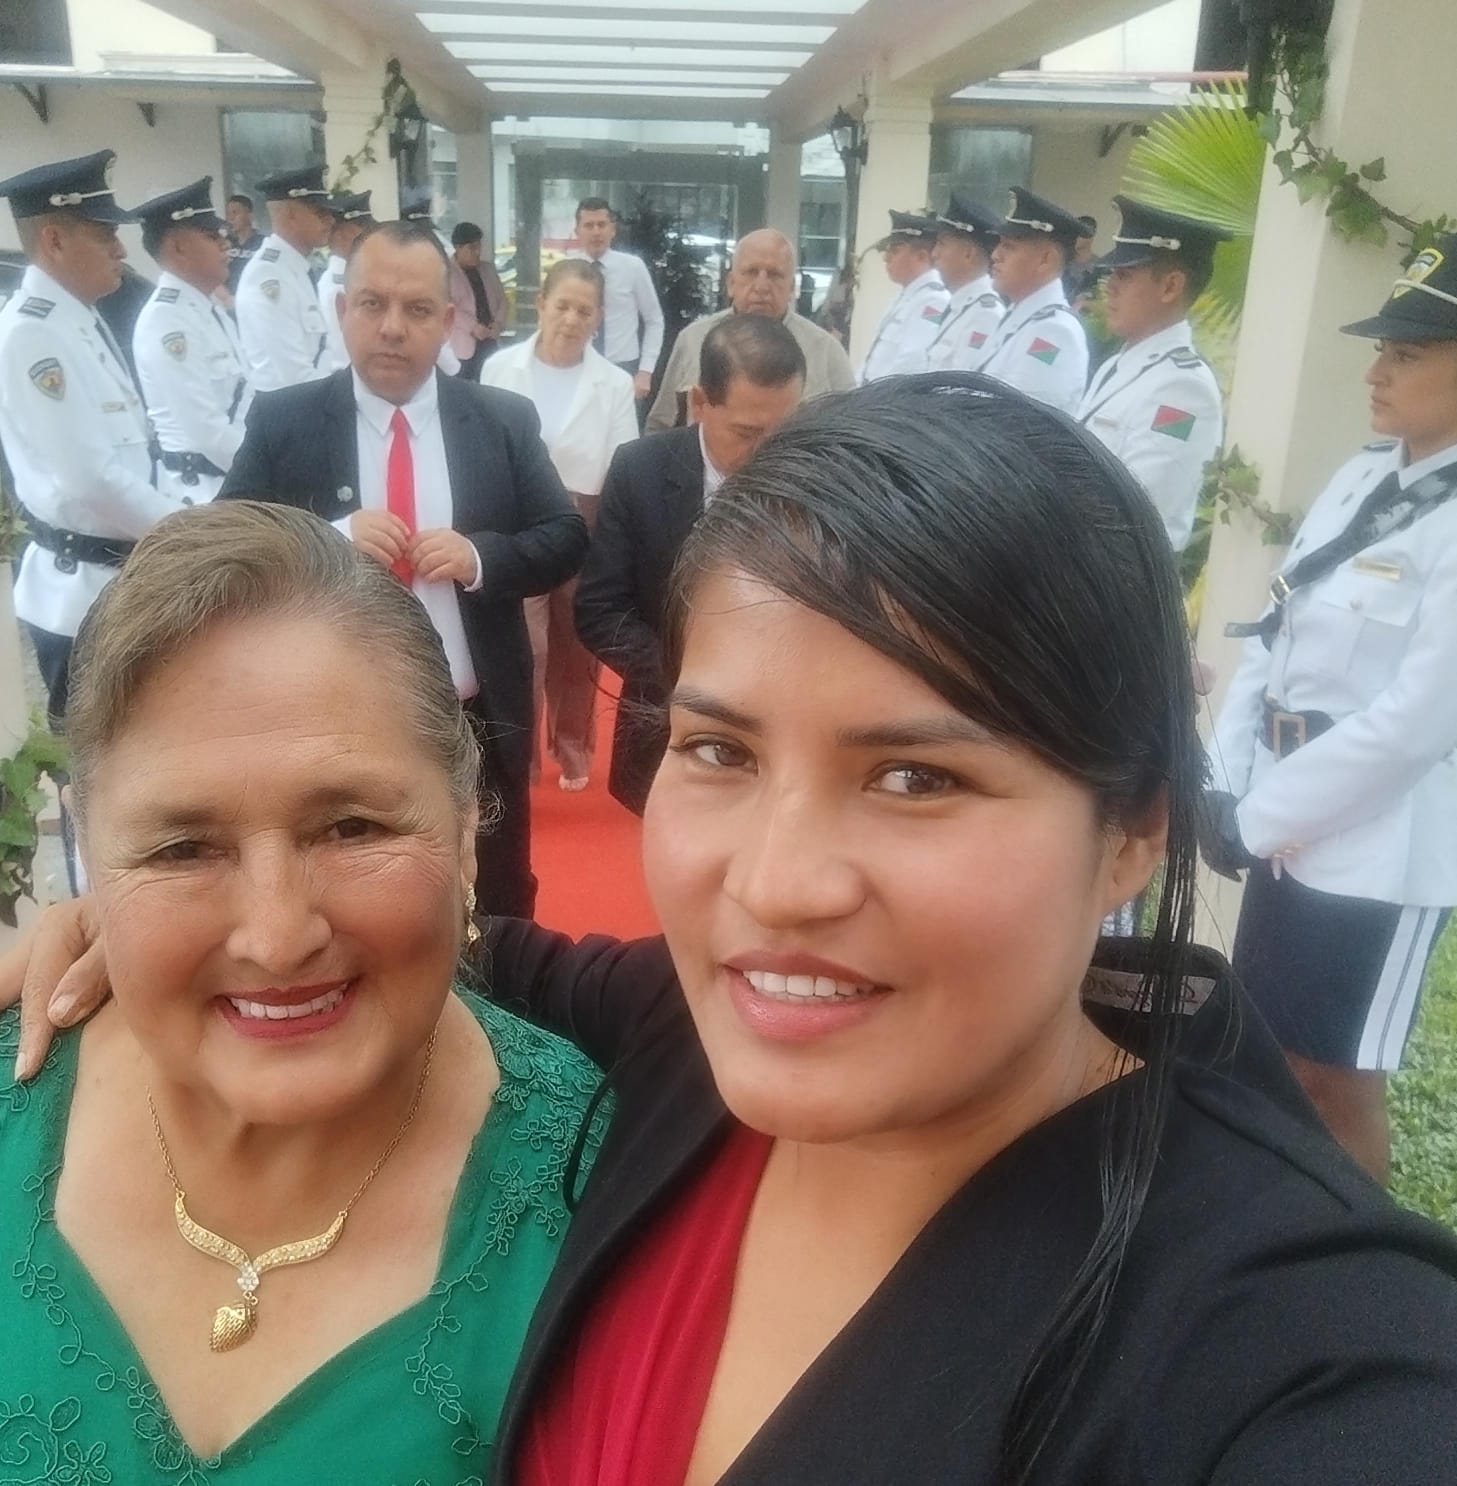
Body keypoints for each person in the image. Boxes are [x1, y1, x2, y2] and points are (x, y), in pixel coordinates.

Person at [15, 375, 1457, 1484]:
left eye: (915, 776)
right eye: (719, 750)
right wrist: (146, 909)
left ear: (1133, 826)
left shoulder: (1297, 1343)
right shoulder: (685, 1034)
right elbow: (434, 940)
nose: (776, 885)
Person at [0, 499, 607, 1480]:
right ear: (88, 851)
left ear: (465, 828)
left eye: (351, 828)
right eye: (182, 848)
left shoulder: (609, 1202)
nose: (278, 937)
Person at [220, 220, 588, 919]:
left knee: (496, 899)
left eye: (417, 309)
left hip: (474, 717)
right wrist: (325, 538)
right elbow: (222, 543)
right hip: (333, 721)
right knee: (359, 905)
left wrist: (480, 557)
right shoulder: (285, 422)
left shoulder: (501, 420)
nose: (392, 327)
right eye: (372, 304)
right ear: (343, 310)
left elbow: (565, 536)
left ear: (447, 322)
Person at [1203, 238, 1457, 1184]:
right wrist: (1227, 781)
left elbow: (1414, 725)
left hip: (1378, 850)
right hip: (1286, 821)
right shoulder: (1365, 476)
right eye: (1381, 348)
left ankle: (1357, 1256)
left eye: (1408, 353)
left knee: (1333, 1084)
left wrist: (1258, 817)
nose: (1376, 371)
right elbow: (1276, 634)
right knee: (1272, 1055)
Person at [575, 314, 806, 814]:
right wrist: (688, 675)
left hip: (791, 742)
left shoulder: (815, 476)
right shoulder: (640, 470)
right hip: (666, 725)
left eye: (784, 431)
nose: (769, 453)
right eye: (747, 432)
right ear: (700, 402)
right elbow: (599, 610)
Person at [0, 150, 171, 722]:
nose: (121, 249)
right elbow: (89, 478)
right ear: (53, 241)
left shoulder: (75, 316)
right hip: (79, 600)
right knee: (99, 763)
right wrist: (191, 530)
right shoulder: (34, 335)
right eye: (105, 235)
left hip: (114, 584)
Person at [480, 259, 638, 792]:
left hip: (585, 521)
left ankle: (573, 745)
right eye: (563, 305)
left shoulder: (614, 383)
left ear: (599, 318)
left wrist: (615, 544)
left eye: (584, 311)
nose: (571, 319)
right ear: (541, 303)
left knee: (576, 644)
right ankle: (519, 755)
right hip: (518, 522)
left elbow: (621, 465)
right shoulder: (500, 368)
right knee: (526, 646)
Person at [1075, 196, 1227, 553]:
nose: (1109, 286)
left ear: (1170, 286)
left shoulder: (1183, 388)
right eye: (1113, 273)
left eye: (1125, 275)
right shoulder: (1119, 365)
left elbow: (1136, 514)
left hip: (1116, 573)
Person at [645, 228, 853, 432]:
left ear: (792, 288)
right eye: (751, 272)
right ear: (731, 283)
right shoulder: (693, 340)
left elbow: (855, 433)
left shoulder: (826, 351)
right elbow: (662, 426)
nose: (761, 286)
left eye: (775, 275)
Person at [132, 177, 252, 506]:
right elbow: (206, 430)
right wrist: (267, 469)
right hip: (202, 494)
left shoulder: (207, 307)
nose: (225, 245)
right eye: (212, 237)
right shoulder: (167, 321)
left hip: (232, 483)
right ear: (179, 248)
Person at [975, 186, 1090, 414]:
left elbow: (1021, 423)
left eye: (1009, 247)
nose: (995, 255)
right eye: (999, 244)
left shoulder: (1054, 332)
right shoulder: (1021, 317)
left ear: (1045, 259)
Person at [234, 163, 335, 392]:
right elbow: (292, 377)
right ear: (291, 216)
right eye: (321, 213)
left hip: (313, 398)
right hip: (294, 406)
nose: (330, 220)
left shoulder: (295, 268)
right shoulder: (268, 277)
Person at [571, 197, 664, 401]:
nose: (596, 232)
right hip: (577, 366)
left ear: (613, 230)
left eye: (602, 225)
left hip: (624, 369)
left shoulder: (633, 267)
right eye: (589, 225)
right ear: (577, 231)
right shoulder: (567, 269)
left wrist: (645, 372)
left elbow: (654, 320)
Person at [855, 210, 949, 383]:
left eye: (895, 251)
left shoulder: (933, 301)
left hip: (889, 395)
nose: (886, 258)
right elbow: (873, 358)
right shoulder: (906, 296)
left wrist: (874, 394)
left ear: (921, 256)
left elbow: (912, 362)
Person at [925, 193, 1005, 373]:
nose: (934, 253)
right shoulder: (959, 307)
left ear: (968, 253)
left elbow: (963, 383)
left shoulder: (985, 315)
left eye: (942, 244)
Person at [316, 189, 375, 373]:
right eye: (363, 234)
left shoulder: (354, 276)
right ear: (343, 235)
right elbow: (342, 349)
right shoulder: (338, 285)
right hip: (349, 373)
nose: (370, 240)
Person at [449, 221, 508, 380]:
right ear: (458, 247)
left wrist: (498, 324)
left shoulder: (488, 269)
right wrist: (473, 327)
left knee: (490, 383)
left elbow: (502, 300)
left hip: (490, 339)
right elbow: (447, 306)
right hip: (463, 344)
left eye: (479, 247)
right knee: (464, 388)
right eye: (471, 248)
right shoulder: (446, 272)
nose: (477, 252)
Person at [224, 191, 265, 298]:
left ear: (250, 216)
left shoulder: (263, 243)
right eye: (228, 214)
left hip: (254, 298)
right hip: (229, 300)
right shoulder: (223, 244)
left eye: (235, 213)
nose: (231, 218)